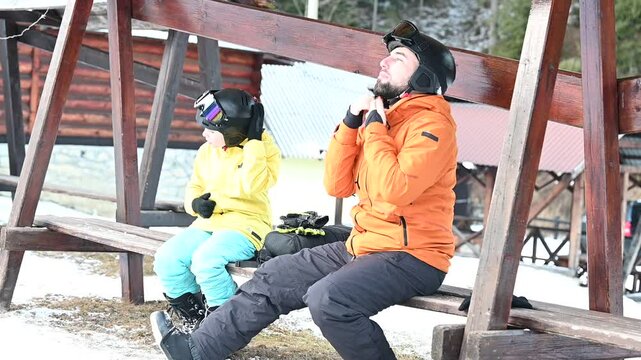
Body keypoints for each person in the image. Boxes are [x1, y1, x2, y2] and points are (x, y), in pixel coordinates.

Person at [150, 19, 457, 360]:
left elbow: (395, 189)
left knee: (330, 300)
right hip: (366, 245)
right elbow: (336, 185)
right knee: (276, 274)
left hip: (414, 256)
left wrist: (373, 129)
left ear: (424, 76)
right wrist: (350, 122)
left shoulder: (432, 125)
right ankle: (198, 350)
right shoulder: (386, 120)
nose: (384, 62)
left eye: (398, 57)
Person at [151, 88, 281, 333]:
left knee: (206, 260)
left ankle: (225, 328)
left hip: (246, 225)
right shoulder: (206, 151)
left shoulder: (263, 150)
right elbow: (195, 185)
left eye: (211, 131)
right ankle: (197, 320)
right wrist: (195, 203)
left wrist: (253, 141)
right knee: (167, 258)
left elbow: (252, 185)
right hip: (208, 224)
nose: (204, 135)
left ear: (231, 131)